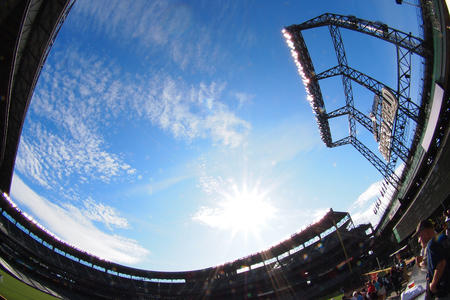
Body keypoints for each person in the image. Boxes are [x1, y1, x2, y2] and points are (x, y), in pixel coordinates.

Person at [416, 219, 450, 299]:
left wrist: (433, 285)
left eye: (419, 235)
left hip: (444, 289)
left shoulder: (431, 244)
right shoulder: (442, 237)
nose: (419, 239)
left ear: (425, 232)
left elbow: (441, 263)